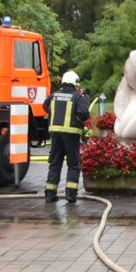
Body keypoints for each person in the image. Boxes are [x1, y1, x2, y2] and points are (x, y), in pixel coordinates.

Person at [44, 70, 91, 203]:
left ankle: (50, 194)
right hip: (71, 136)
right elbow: (84, 114)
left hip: (55, 135)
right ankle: (70, 194)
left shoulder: (54, 96)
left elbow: (45, 106)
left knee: (55, 163)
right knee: (73, 164)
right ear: (74, 83)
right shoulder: (77, 97)